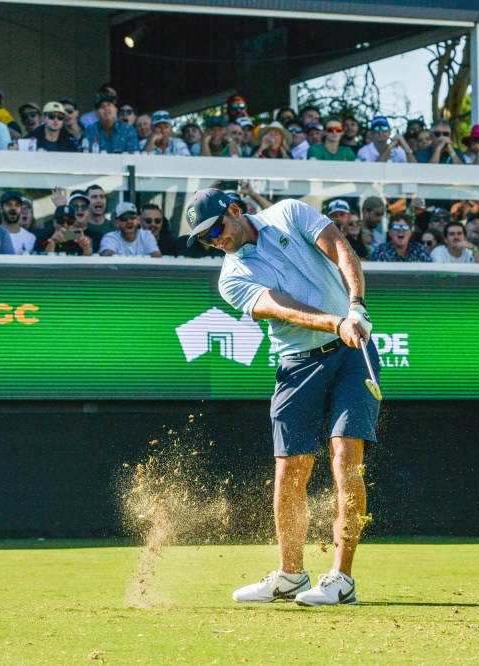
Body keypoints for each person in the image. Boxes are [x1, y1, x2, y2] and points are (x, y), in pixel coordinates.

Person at [183, 188, 379, 607]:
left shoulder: (289, 213)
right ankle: (291, 574)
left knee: (346, 457)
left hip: (351, 355)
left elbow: (341, 250)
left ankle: (342, 580)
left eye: (215, 229)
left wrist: (357, 306)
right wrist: (336, 322)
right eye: (204, 238)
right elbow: (282, 308)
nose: (213, 240)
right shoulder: (230, 277)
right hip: (297, 362)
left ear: (235, 211)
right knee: (291, 469)